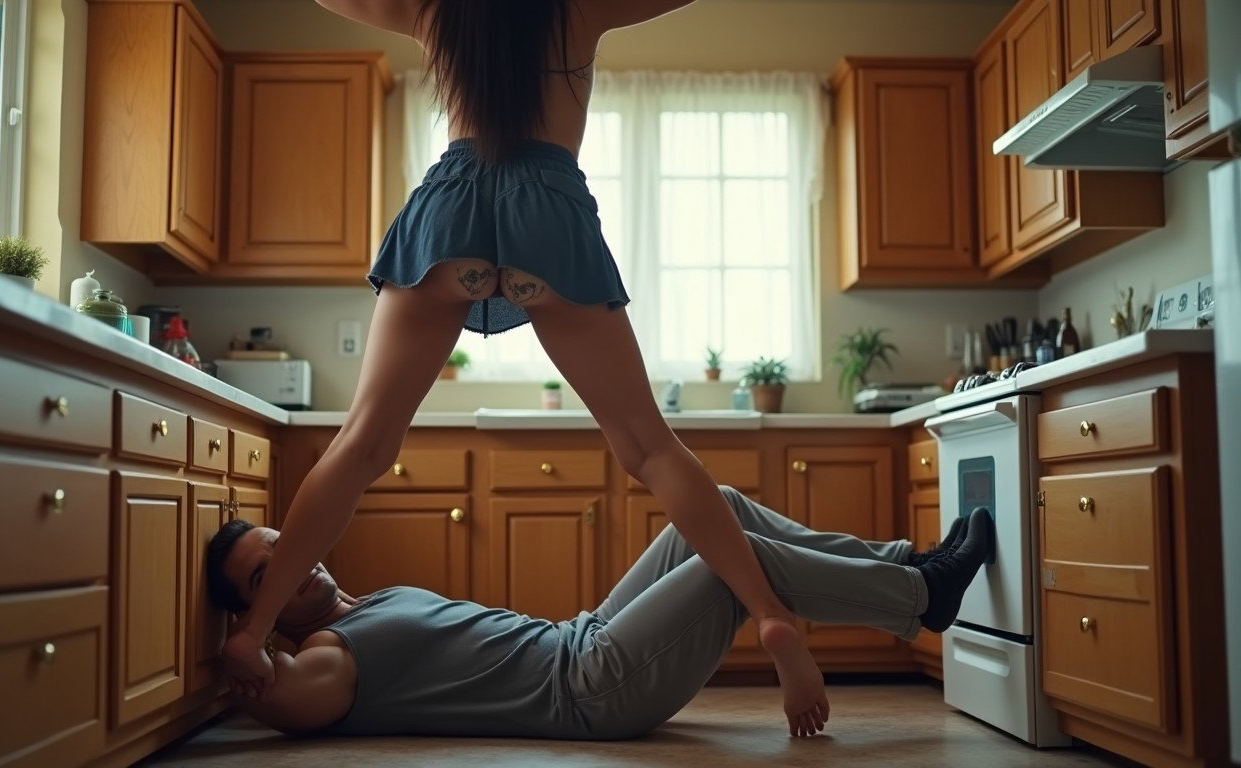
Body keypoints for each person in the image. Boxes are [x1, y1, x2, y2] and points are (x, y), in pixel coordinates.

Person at [220, 0, 834, 736]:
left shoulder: (433, 10)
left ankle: (253, 628)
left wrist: (257, 636)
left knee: (361, 445)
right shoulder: (576, 8)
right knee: (649, 447)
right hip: (549, 206)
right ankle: (770, 616)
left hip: (451, 210)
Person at [208, 488, 993, 739]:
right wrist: (247, 650)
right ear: (261, 612)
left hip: (580, 639)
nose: (296, 562)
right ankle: (925, 600)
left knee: (708, 510)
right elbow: (287, 696)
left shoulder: (366, 601)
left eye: (289, 543)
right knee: (728, 571)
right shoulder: (330, 655)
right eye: (264, 576)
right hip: (590, 689)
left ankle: (902, 566)